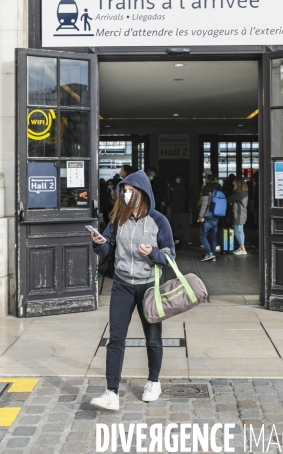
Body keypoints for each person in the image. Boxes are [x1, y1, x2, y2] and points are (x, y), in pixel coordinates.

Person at [89, 170, 175, 411]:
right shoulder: (118, 219)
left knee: (153, 338)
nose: (125, 195)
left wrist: (155, 254)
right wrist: (99, 244)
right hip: (122, 285)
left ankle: (153, 382)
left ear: (142, 193)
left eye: (129, 191)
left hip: (149, 286)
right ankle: (111, 392)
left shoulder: (159, 221)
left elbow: (171, 257)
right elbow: (108, 249)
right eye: (123, 191)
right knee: (115, 338)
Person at [198, 172, 224, 262]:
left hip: (207, 215)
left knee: (203, 235)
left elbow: (204, 203)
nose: (205, 179)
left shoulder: (207, 188)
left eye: (206, 178)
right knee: (213, 236)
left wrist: (200, 215)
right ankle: (213, 255)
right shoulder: (219, 187)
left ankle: (209, 253)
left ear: (208, 179)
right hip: (216, 214)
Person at [227, 177, 249, 255]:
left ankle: (242, 248)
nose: (233, 183)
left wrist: (231, 202)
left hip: (238, 214)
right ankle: (241, 247)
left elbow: (229, 199)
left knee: (236, 231)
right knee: (241, 231)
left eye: (234, 181)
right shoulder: (245, 191)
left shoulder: (238, 192)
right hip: (243, 213)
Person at [169, 175, 192, 246]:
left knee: (184, 226)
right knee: (175, 226)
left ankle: (187, 239)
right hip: (177, 210)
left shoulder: (185, 187)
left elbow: (189, 198)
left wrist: (189, 207)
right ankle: (174, 239)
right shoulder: (174, 186)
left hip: (181, 209)